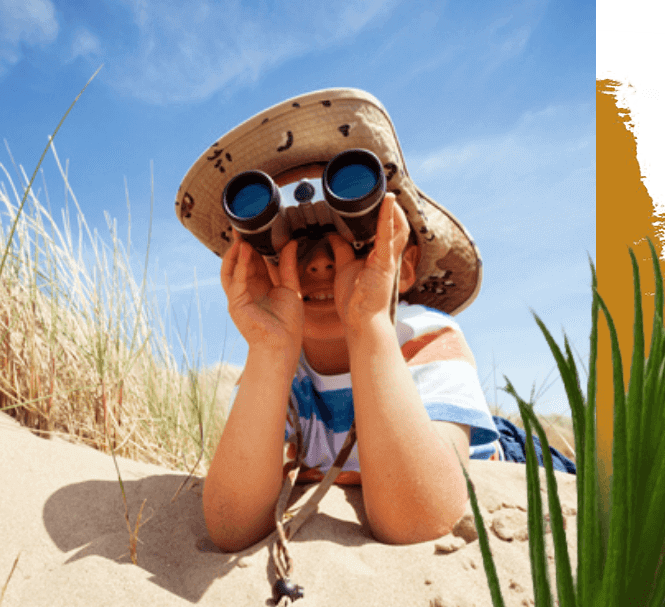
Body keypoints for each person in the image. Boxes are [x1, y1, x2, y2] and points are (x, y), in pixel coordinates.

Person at [175, 88, 574, 553]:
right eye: (293, 243)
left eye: (351, 237)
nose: (322, 263)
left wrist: (368, 326)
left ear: (402, 266)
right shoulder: (278, 371)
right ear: (255, 264)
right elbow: (231, 527)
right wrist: (269, 349)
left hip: (499, 455)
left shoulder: (423, 337)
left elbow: (417, 522)